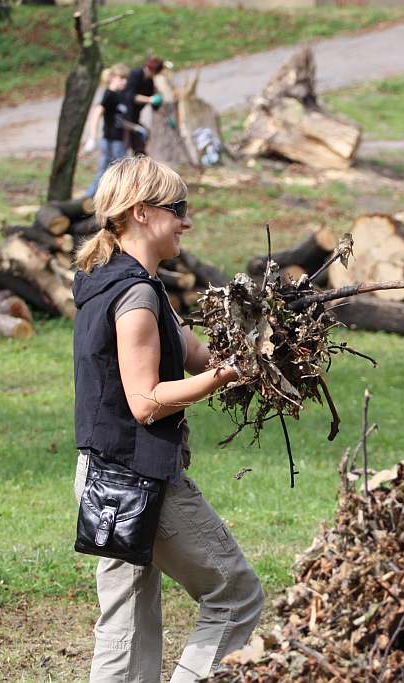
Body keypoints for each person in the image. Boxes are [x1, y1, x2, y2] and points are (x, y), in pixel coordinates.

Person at [71, 156, 263, 683]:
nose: (186, 221)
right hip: (139, 478)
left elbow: (194, 353)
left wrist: (256, 348)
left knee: (127, 625)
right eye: (177, 208)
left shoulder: (121, 280)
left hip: (104, 475)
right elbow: (146, 401)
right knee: (235, 594)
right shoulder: (135, 296)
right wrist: (222, 378)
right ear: (141, 212)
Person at [83, 64, 131, 198]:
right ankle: (90, 198)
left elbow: (120, 121)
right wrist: (92, 137)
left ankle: (92, 197)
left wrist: (137, 129)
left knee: (108, 172)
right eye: (121, 78)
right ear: (112, 78)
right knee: (121, 172)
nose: (124, 82)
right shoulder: (109, 95)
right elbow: (96, 113)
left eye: (126, 79)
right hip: (111, 141)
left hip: (119, 141)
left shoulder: (120, 96)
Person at [121, 57, 164, 155]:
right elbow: (131, 96)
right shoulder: (135, 74)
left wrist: (158, 106)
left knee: (140, 148)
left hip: (135, 117)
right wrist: (150, 100)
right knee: (124, 146)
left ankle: (141, 159)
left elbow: (153, 104)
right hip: (125, 116)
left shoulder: (149, 82)